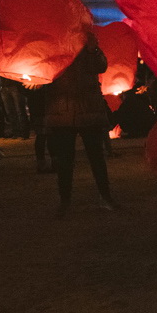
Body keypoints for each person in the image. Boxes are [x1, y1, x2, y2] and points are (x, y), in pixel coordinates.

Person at [44, 32, 118, 216]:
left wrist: (93, 49)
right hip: (63, 110)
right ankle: (65, 200)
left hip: (86, 109)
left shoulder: (86, 46)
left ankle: (105, 196)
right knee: (65, 160)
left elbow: (101, 66)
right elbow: (45, 72)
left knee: (96, 157)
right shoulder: (53, 47)